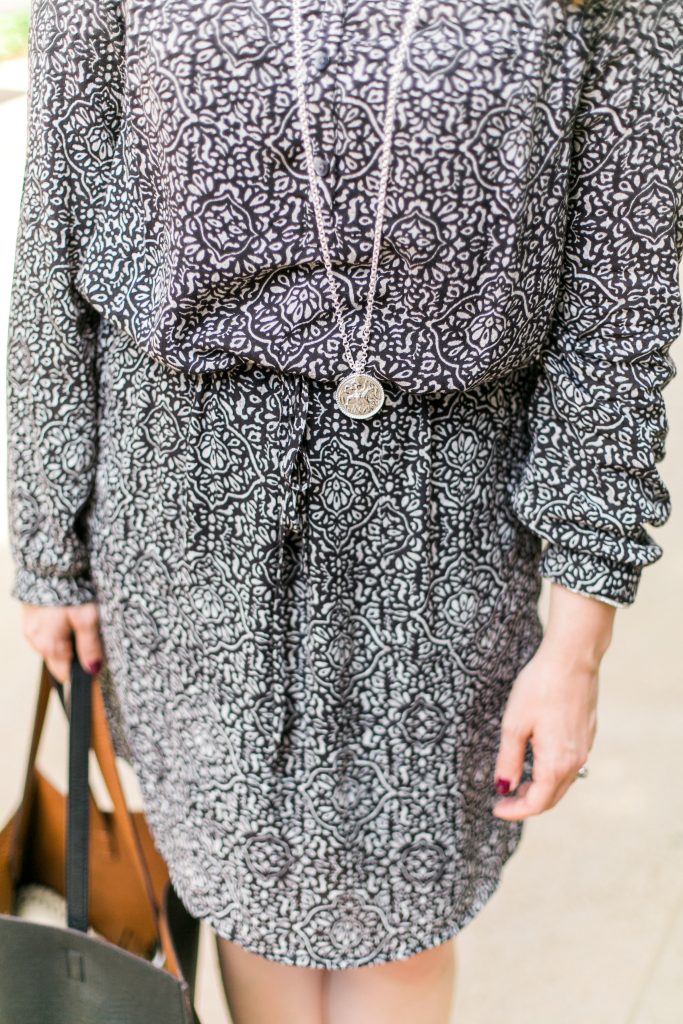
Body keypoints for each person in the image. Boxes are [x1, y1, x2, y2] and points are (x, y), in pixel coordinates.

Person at [5, 0, 681, 1020]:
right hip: (185, 516)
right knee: (247, 899)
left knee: (402, 923)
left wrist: (577, 636)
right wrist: (46, 541)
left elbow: (614, 318)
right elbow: (57, 225)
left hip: (443, 528)